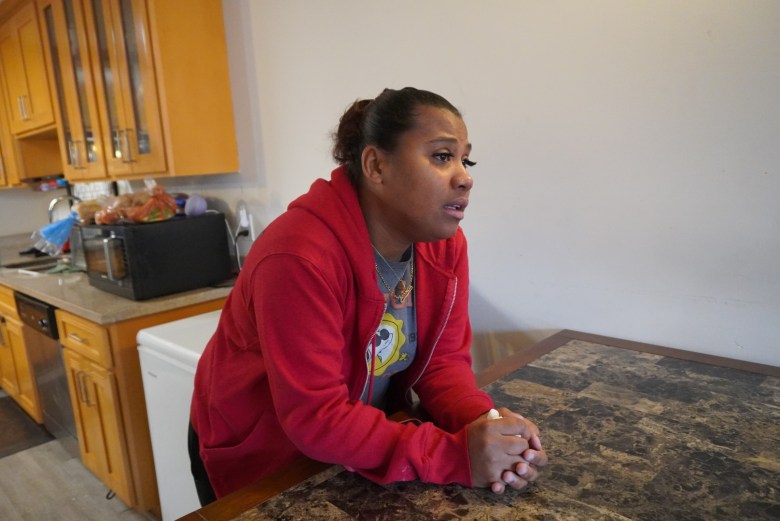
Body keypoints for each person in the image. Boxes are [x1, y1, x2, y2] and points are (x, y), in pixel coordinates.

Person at [188, 87, 548, 504]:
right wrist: (455, 455)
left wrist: (486, 427)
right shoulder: (298, 256)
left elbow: (442, 365)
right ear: (376, 165)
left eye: (465, 159)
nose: (465, 176)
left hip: (348, 442)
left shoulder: (445, 246)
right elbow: (316, 417)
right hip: (265, 452)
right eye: (442, 156)